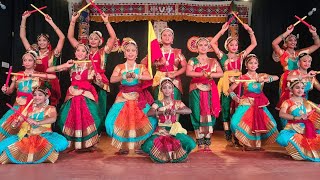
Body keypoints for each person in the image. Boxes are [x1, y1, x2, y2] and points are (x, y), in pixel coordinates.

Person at [47, 44, 104, 151]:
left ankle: (88, 142)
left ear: (87, 54)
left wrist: (99, 80)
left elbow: (100, 84)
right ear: (75, 52)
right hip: (73, 93)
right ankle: (72, 142)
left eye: (83, 51)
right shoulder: (71, 65)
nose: (80, 53)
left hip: (86, 94)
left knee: (93, 117)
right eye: (78, 50)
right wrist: (65, 65)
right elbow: (49, 70)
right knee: (65, 117)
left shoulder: (91, 65)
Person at [105, 38, 157, 155]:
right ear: (124, 53)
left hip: (138, 96)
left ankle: (139, 145)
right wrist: (122, 77)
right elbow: (112, 79)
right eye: (128, 50)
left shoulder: (141, 67)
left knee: (145, 119)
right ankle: (123, 145)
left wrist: (138, 76)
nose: (130, 52)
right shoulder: (120, 67)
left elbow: (149, 77)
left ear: (137, 53)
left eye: (133, 50)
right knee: (115, 119)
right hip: (123, 96)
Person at [210, 22, 257, 144]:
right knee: (226, 109)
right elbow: (212, 43)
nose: (235, 46)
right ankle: (228, 134)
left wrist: (250, 31)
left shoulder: (241, 56)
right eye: (232, 44)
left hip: (240, 85)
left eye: (236, 44)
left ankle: (238, 134)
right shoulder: (223, 57)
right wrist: (222, 30)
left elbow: (254, 44)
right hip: (226, 86)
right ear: (227, 46)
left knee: (238, 109)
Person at [0, 86, 68, 164]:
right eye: (35, 95)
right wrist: (14, 124)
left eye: (40, 95)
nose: (37, 97)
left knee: (63, 142)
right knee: (1, 146)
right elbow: (16, 124)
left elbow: (53, 119)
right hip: (26, 136)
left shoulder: (50, 108)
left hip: (44, 136)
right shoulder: (27, 109)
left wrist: (38, 123)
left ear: (46, 96)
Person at [68, 12, 116, 120]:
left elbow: (113, 37)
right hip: (86, 82)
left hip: (100, 82)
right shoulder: (83, 51)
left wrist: (106, 21)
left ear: (100, 41)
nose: (93, 40)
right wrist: (73, 21)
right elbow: (70, 37)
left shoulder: (103, 52)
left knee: (100, 105)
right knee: (88, 106)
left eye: (96, 39)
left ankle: (99, 128)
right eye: (91, 38)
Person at [0, 51, 56, 140]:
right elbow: (10, 91)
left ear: (34, 63)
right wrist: (6, 90)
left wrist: (33, 75)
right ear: (22, 62)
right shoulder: (17, 75)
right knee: (6, 125)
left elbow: (53, 77)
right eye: (25, 60)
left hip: (33, 107)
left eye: (30, 60)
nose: (27, 62)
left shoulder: (39, 75)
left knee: (27, 129)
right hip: (18, 106)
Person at [229, 54, 279, 150]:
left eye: (255, 63)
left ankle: (256, 145)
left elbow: (276, 77)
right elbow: (230, 89)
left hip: (260, 103)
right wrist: (235, 97)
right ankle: (246, 142)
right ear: (246, 65)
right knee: (235, 123)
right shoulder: (243, 77)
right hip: (246, 102)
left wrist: (266, 79)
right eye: (250, 63)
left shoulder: (261, 75)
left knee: (271, 124)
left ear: (258, 65)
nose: (253, 65)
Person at [141, 78, 196, 162]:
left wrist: (175, 111)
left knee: (190, 143)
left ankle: (176, 155)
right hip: (161, 131)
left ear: (173, 89)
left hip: (174, 130)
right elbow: (149, 113)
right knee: (147, 145)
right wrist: (161, 112)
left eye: (169, 87)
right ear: (161, 90)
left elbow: (189, 111)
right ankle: (162, 156)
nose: (167, 90)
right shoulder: (158, 103)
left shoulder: (177, 102)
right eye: (164, 88)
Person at [20, 11, 65, 106]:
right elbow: (23, 37)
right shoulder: (33, 53)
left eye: (44, 40)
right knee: (33, 106)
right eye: (39, 40)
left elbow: (62, 38)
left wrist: (50, 22)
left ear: (48, 42)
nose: (41, 42)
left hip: (50, 83)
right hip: (35, 82)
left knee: (48, 108)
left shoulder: (53, 53)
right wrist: (24, 19)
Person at [186, 37, 223, 151]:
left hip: (210, 89)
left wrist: (210, 75)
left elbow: (221, 73)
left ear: (209, 47)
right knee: (197, 113)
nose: (203, 47)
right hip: (196, 89)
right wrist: (201, 74)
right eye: (200, 45)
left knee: (210, 113)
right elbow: (188, 72)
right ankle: (200, 140)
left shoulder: (213, 61)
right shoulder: (192, 60)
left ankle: (207, 140)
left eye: (205, 45)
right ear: (196, 48)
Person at [272, 25, 320, 109]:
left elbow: (317, 45)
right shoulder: (282, 53)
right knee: (288, 104)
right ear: (285, 43)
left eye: (295, 40)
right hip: (288, 78)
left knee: (302, 96)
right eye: (290, 40)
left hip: (301, 76)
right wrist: (287, 32)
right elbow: (274, 43)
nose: (293, 42)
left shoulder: (299, 53)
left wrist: (314, 33)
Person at [276, 80, 320, 161]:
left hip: (307, 128)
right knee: (283, 138)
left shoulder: (307, 102)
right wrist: (297, 118)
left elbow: (317, 110)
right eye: (297, 88)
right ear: (291, 89)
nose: (300, 90)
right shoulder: (287, 102)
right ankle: (298, 153)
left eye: (302, 88)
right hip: (292, 128)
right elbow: (281, 114)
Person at [282, 53, 320, 127]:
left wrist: (309, 76)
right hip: (291, 104)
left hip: (304, 104)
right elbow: (289, 78)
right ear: (299, 63)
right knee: (291, 127)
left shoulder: (311, 77)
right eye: (304, 61)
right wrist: (306, 75)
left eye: (309, 61)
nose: (307, 63)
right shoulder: (294, 72)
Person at [152, 27, 187, 101]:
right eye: (164, 35)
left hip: (174, 81)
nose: (167, 37)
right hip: (159, 80)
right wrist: (159, 63)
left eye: (169, 35)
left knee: (174, 104)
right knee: (159, 104)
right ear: (161, 38)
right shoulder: (156, 51)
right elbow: (146, 63)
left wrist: (174, 74)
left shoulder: (177, 52)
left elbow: (185, 66)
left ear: (172, 39)